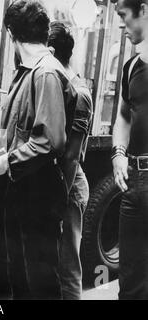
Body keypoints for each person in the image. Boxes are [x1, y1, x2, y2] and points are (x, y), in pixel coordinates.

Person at [0, 0, 77, 299]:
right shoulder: (28, 72)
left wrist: (6, 163)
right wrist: (1, 157)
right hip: (24, 188)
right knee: (21, 278)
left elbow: (50, 141)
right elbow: (25, 132)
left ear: (10, 33)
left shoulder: (43, 73)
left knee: (39, 282)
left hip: (38, 192)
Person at [48, 21, 93, 300]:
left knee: (68, 268)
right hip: (58, 185)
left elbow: (72, 156)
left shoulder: (79, 93)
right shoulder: (55, 85)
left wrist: (58, 200)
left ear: (51, 51)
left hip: (70, 187)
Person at [112, 0, 148, 300]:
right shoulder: (131, 66)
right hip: (134, 183)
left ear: (144, 9)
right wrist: (118, 154)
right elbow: (123, 116)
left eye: (124, 16)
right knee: (131, 282)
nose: (121, 25)